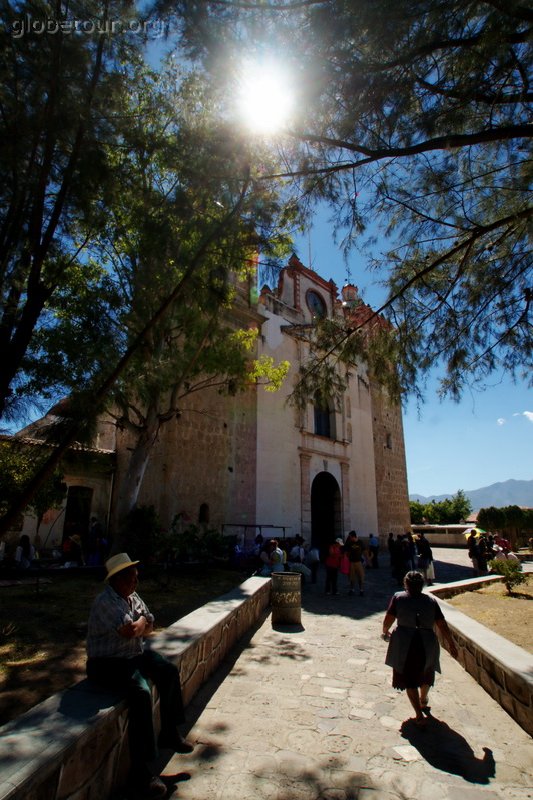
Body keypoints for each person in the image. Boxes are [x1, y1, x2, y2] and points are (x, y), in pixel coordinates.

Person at [86, 553, 193, 799]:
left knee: (167, 670)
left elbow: (151, 627)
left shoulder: (131, 597)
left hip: (132, 655)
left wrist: (142, 623)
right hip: (107, 663)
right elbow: (131, 631)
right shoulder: (106, 602)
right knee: (141, 692)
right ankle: (141, 770)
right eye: (131, 578)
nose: (136, 582)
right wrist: (143, 622)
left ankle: (169, 731)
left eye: (136, 578)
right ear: (117, 579)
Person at [382, 570, 458, 727]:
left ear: (406, 584)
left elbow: (389, 618)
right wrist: (451, 643)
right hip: (426, 641)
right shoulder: (430, 601)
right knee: (426, 671)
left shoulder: (398, 598)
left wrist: (385, 630)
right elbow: (441, 624)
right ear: (422, 585)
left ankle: (418, 715)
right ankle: (423, 698)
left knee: (409, 678)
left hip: (404, 643)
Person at [345, 530, 365, 595]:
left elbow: (364, 551)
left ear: (354, 536)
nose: (349, 538)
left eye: (350, 536)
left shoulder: (360, 542)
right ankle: (352, 589)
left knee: (360, 577)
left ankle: (361, 590)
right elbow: (347, 552)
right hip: (351, 562)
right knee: (351, 577)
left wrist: (367, 560)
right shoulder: (349, 543)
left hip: (359, 562)